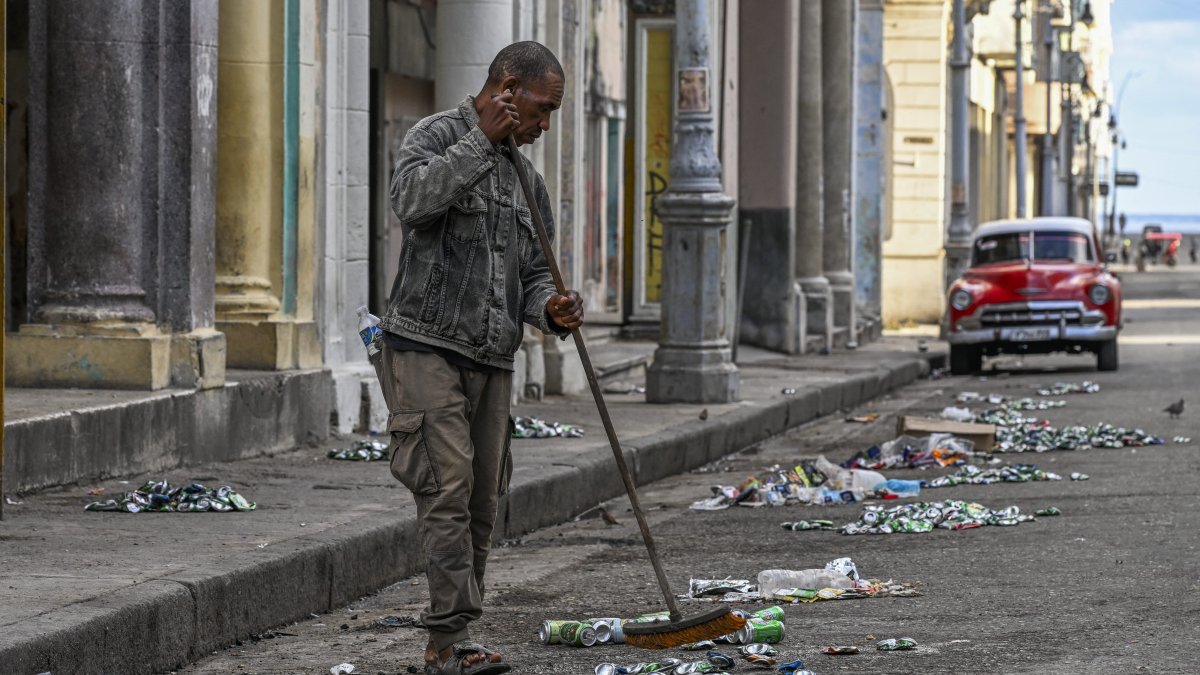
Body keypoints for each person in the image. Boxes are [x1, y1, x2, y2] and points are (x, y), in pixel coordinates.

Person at [380, 41, 583, 675]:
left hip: (492, 358)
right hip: (423, 346)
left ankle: (457, 633)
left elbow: (531, 275)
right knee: (447, 487)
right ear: (506, 87)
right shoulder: (435, 136)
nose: (545, 124)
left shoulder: (529, 180)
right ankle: (451, 641)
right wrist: (477, 146)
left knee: (481, 503)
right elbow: (410, 203)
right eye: (541, 108)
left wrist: (550, 307)